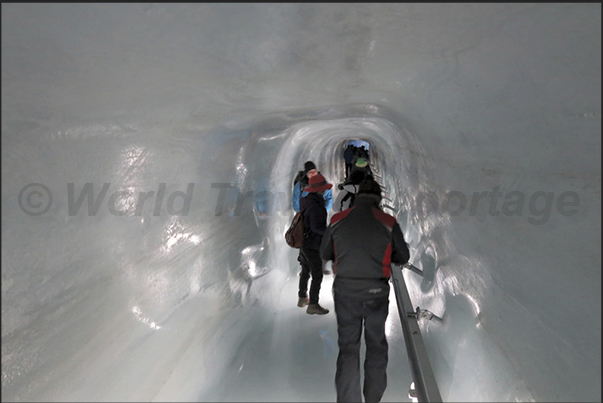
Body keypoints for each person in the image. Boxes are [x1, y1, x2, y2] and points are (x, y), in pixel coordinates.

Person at [320, 178, 410, 402]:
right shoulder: (387, 221)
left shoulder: (339, 219)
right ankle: (373, 397)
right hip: (376, 294)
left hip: (345, 292)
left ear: (357, 197)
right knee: (376, 345)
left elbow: (325, 253)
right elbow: (403, 256)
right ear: (378, 198)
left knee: (348, 348)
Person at [298, 173, 333, 315]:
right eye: (324, 188)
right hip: (312, 244)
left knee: (305, 270)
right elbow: (316, 227)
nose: (325, 190)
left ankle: (302, 298)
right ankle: (313, 304)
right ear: (319, 190)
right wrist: (329, 232)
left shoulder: (306, 201)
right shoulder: (315, 205)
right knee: (317, 274)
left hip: (304, 241)